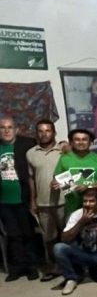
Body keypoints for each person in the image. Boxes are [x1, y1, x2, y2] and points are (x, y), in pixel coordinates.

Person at [53, 188, 97, 296]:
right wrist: (81, 222)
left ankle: (91, 271)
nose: (87, 204)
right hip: (82, 252)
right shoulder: (77, 215)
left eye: (91, 201)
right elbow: (64, 239)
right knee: (58, 248)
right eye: (85, 201)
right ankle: (71, 278)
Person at [27, 119, 67, 281]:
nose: (44, 134)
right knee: (49, 238)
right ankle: (54, 267)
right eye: (41, 131)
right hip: (43, 204)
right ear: (37, 133)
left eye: (48, 130)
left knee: (67, 236)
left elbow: (73, 171)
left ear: (54, 132)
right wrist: (33, 200)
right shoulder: (30, 153)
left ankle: (70, 266)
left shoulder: (64, 150)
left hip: (64, 202)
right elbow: (31, 178)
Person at [0, 115, 37, 281]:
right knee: (12, 235)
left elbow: (46, 146)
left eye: (10, 127)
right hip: (4, 201)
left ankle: (31, 267)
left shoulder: (27, 144)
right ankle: (17, 268)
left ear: (16, 130)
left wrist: (64, 145)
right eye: (3, 127)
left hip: (23, 198)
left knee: (28, 233)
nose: (6, 130)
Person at [53, 129, 97, 216]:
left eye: (84, 139)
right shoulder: (64, 158)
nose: (81, 142)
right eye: (77, 139)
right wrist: (54, 183)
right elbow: (55, 179)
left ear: (90, 142)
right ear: (71, 142)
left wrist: (89, 186)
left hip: (93, 209)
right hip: (71, 209)